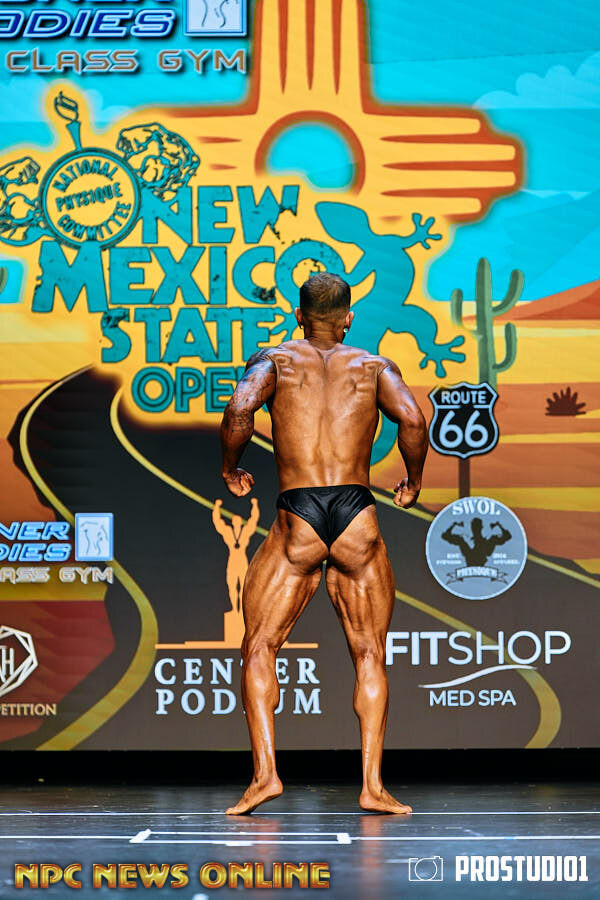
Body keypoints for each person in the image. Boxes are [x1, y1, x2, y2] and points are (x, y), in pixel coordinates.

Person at [219, 272, 428, 815]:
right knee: (369, 653)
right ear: (348, 318)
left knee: (259, 647)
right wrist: (413, 481)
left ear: (298, 316)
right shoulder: (375, 366)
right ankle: (372, 787)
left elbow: (240, 408)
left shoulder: (276, 360)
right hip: (357, 512)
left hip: (299, 512)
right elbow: (413, 419)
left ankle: (265, 777)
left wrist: (231, 468)